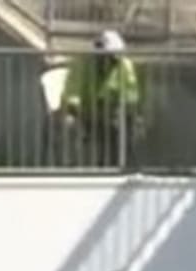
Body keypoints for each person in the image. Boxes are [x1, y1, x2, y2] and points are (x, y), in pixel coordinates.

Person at [57, 31, 142, 169]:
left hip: (114, 112)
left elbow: (131, 94)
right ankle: (75, 167)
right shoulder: (82, 64)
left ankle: (123, 166)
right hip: (86, 112)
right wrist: (78, 110)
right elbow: (72, 94)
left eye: (113, 57)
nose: (109, 61)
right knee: (70, 124)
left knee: (127, 127)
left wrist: (124, 109)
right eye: (106, 56)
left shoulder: (125, 65)